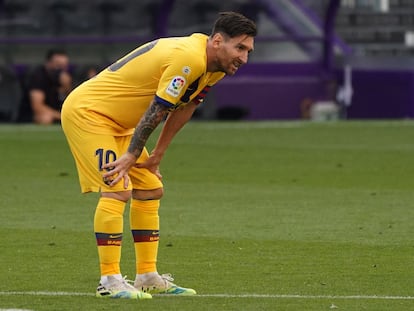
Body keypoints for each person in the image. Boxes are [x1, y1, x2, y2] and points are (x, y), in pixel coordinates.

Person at [61, 11, 256, 300]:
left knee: (150, 189)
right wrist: (131, 154)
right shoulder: (188, 58)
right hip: (90, 114)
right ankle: (110, 279)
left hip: (122, 123)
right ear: (217, 41)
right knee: (117, 188)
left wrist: (157, 156)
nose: (244, 58)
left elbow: (185, 107)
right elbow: (158, 109)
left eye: (249, 51)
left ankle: (147, 276)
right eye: (240, 48)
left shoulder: (214, 65)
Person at [21, 49, 72, 124]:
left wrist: (67, 86)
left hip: (60, 114)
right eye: (58, 65)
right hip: (33, 116)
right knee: (46, 118)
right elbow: (37, 107)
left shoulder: (66, 78)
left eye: (64, 66)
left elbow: (73, 101)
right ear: (48, 63)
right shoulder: (38, 76)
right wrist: (62, 117)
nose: (60, 69)